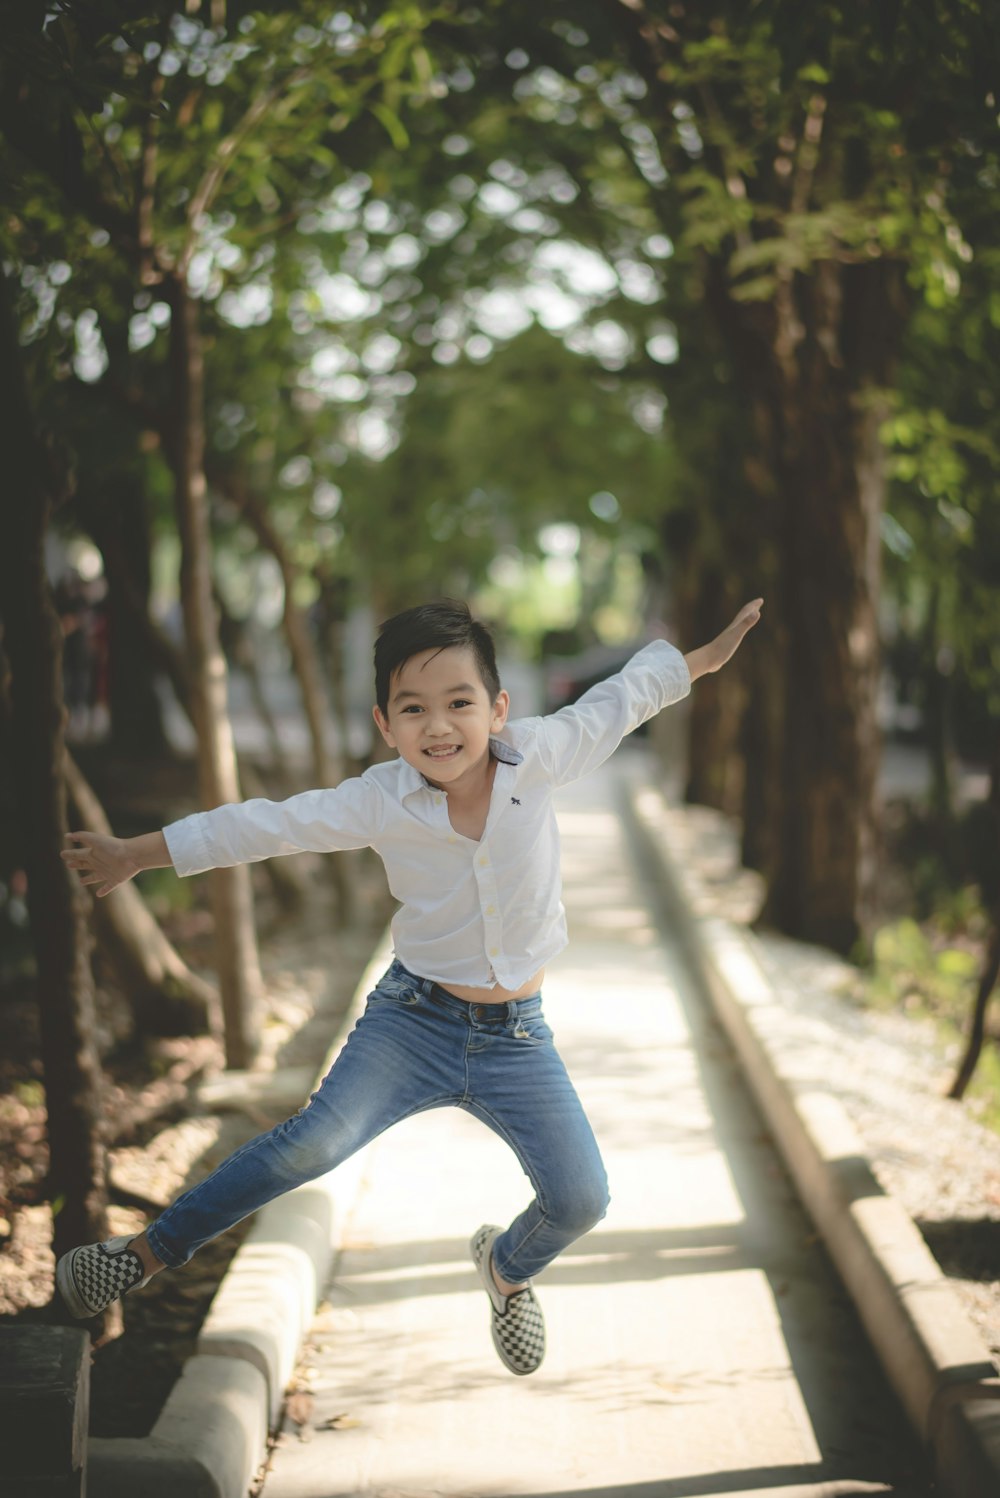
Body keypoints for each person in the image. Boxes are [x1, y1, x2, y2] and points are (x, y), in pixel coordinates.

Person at [57, 595, 762, 1375]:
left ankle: (505, 1269)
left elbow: (622, 698)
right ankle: (144, 1254)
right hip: (412, 1023)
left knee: (582, 1199)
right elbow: (263, 825)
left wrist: (699, 660)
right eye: (413, 709)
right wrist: (134, 854)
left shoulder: (541, 755)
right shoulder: (378, 800)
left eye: (459, 703)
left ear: (497, 709)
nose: (438, 726)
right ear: (385, 726)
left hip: (517, 1038)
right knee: (311, 1143)